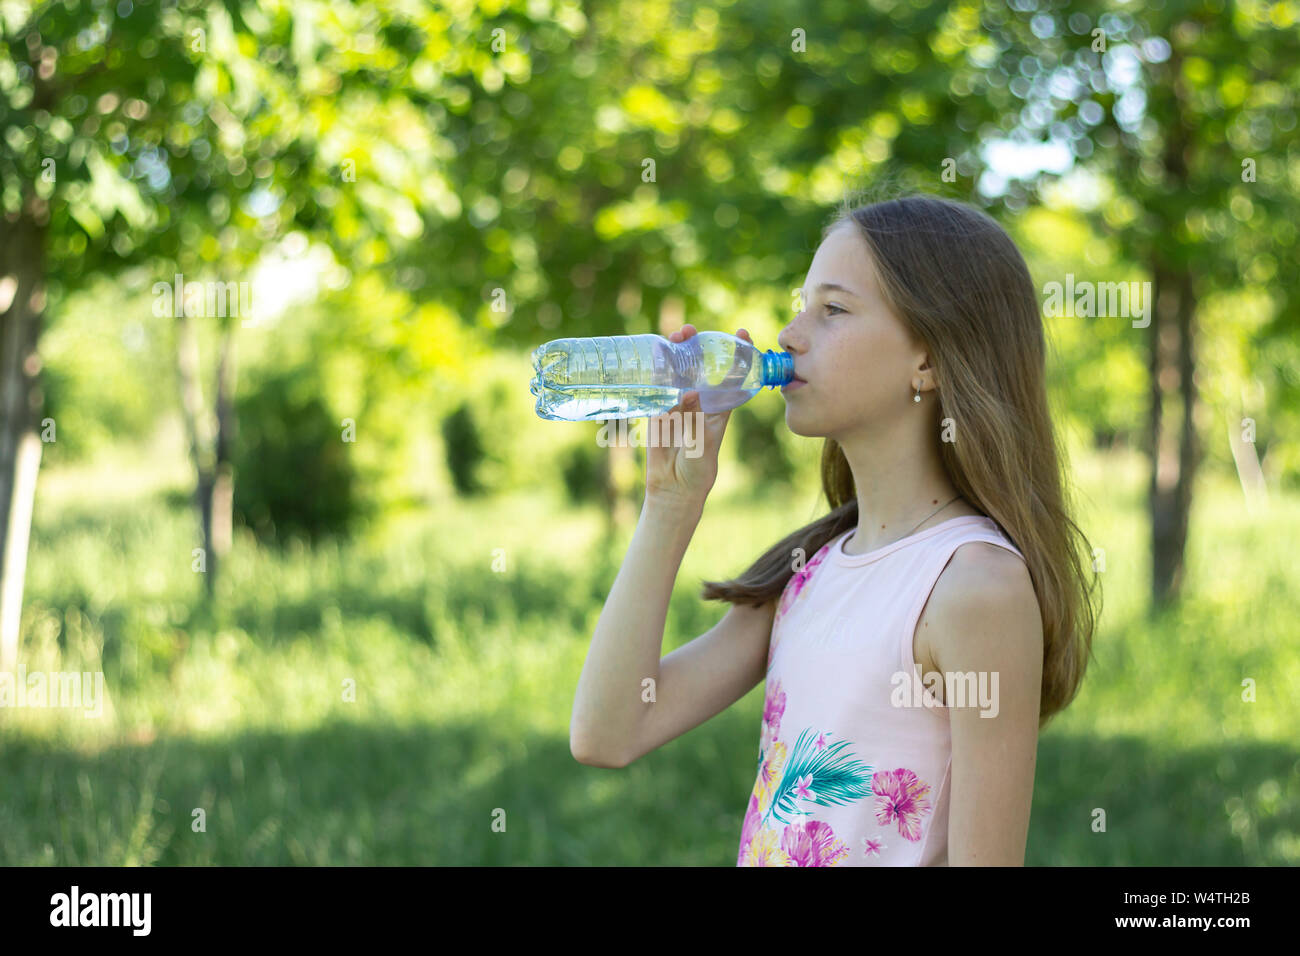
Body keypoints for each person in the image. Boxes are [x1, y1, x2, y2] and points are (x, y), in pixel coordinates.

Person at [569, 192, 1100, 866]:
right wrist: (670, 506)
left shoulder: (973, 588)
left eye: (833, 310)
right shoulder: (812, 568)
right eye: (800, 305)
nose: (789, 335)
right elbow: (607, 732)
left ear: (928, 362)